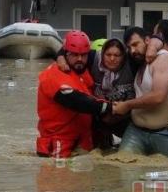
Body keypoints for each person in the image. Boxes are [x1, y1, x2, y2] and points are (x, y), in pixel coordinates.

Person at [112, 27, 168, 159]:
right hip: (136, 132)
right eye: (129, 47)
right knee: (122, 168)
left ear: (148, 40)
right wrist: (61, 56)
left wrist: (126, 105)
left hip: (167, 134)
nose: (133, 51)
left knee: (161, 175)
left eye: (136, 44)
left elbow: (158, 96)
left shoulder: (163, 59)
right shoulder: (139, 63)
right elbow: (103, 54)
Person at [36, 30, 112, 158]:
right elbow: (78, 101)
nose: (80, 59)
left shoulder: (83, 72)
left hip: (82, 140)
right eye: (75, 55)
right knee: (55, 176)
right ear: (66, 53)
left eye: (83, 55)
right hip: (59, 142)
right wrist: (111, 107)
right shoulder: (52, 75)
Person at [55, 38, 137, 150]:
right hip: (99, 118)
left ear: (123, 57)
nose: (112, 59)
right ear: (102, 54)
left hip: (125, 120)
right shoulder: (94, 59)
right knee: (96, 153)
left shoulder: (132, 63)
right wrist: (60, 58)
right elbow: (70, 51)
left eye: (117, 55)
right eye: (108, 54)